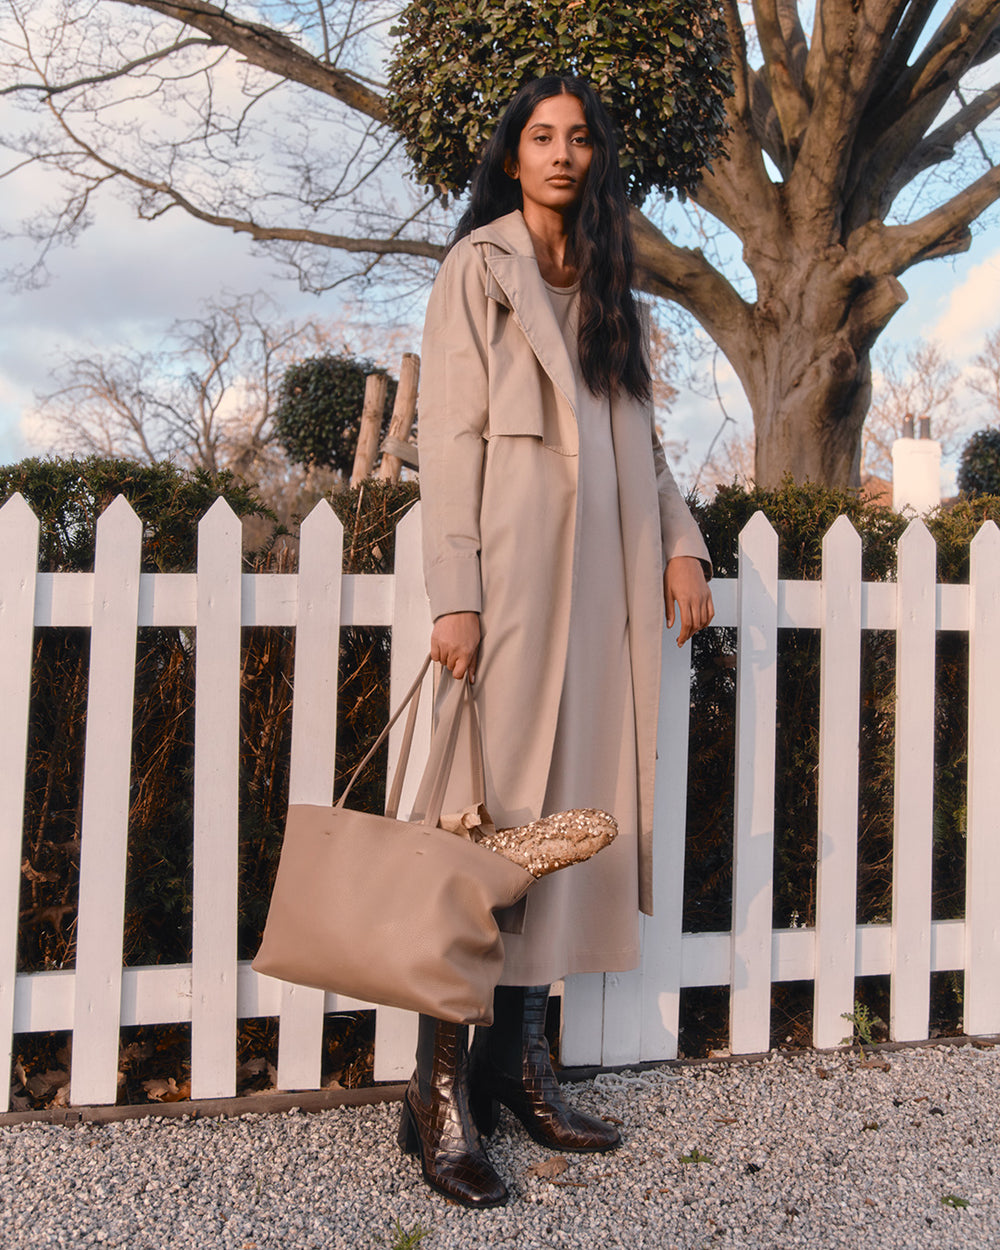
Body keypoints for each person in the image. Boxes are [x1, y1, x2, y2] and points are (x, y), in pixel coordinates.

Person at [401, 74, 714, 1208]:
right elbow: (449, 442)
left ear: (598, 158)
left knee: (567, 821)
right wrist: (456, 594)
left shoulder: (612, 285)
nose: (561, 153)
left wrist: (681, 541)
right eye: (541, 136)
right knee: (477, 829)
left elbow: (648, 445)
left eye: (580, 137)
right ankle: (437, 1095)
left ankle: (522, 1064)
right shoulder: (476, 269)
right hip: (511, 587)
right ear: (511, 153)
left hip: (605, 593)